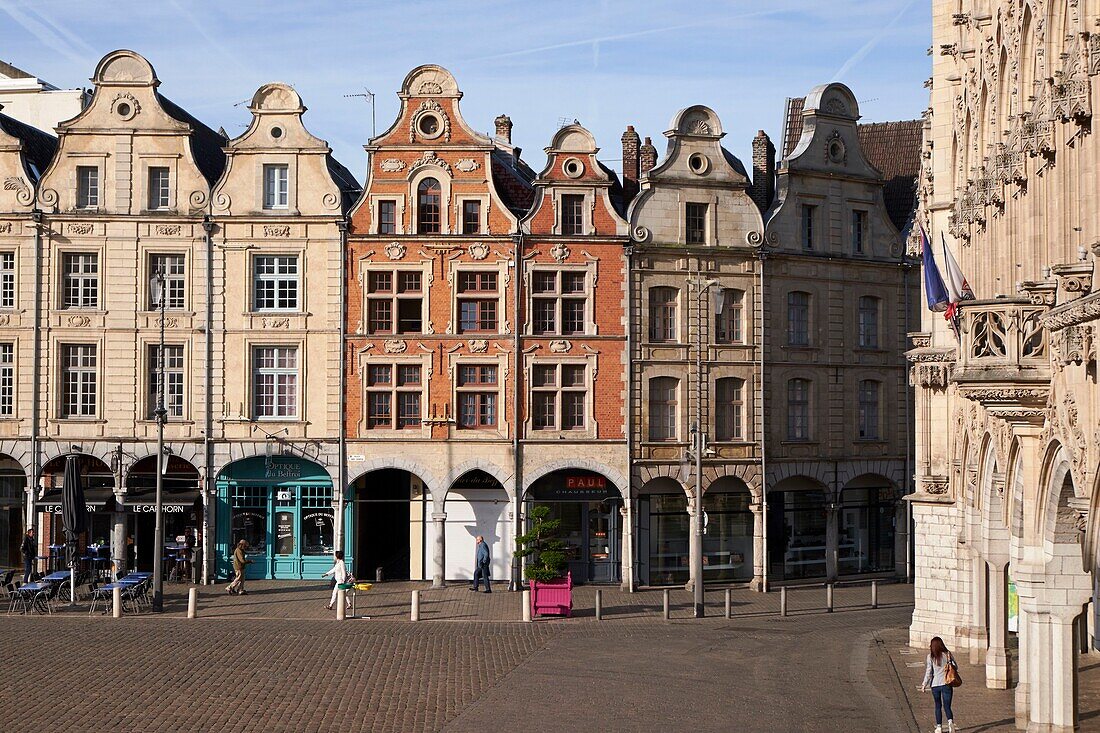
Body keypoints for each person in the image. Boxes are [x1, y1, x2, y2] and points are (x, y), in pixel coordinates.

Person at [919, 636, 958, 733]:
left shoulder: (930, 657)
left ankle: (939, 727)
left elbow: (929, 672)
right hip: (947, 683)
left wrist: (924, 684)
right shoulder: (947, 654)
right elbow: (955, 667)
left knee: (937, 706)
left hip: (935, 684)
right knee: (947, 706)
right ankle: (950, 723)